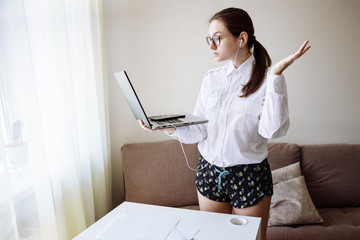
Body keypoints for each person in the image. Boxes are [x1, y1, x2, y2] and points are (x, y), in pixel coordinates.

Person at [140, 7, 310, 240]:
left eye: (217, 38)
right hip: (209, 172)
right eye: (210, 39)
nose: (211, 46)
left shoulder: (267, 80)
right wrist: (166, 126)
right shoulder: (211, 79)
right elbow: (200, 130)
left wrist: (276, 77)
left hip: (248, 176)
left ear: (242, 38)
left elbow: (273, 130)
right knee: (213, 237)